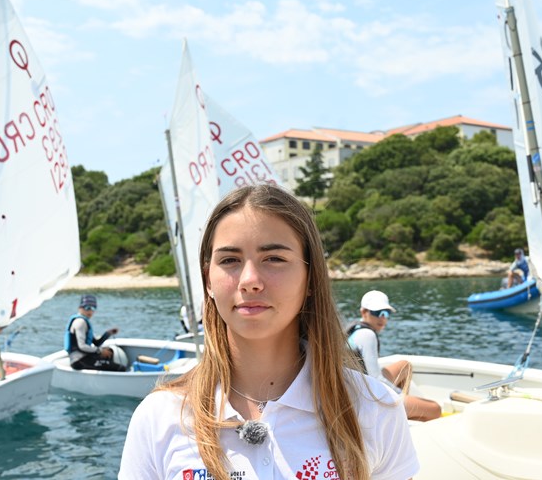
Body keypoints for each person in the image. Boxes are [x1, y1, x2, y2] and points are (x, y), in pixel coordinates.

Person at [120, 185, 419, 480]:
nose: (250, 281)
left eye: (274, 258)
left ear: (311, 277)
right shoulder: (160, 418)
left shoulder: (374, 410)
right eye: (229, 260)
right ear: (208, 280)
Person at [347, 290, 442, 422]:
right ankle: (398, 413)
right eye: (377, 313)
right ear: (364, 312)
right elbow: (376, 378)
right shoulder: (367, 335)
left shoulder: (355, 330)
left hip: (359, 387)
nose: (382, 318)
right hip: (366, 398)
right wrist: (399, 393)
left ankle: (400, 412)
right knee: (435, 409)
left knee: (404, 366)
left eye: (386, 313)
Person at [64, 294, 125, 371]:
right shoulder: (80, 322)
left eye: (93, 308)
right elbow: (82, 346)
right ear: (80, 308)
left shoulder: (84, 321)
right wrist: (100, 351)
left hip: (85, 358)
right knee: (121, 368)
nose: (90, 311)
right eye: (87, 308)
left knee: (109, 352)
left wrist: (108, 333)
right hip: (79, 360)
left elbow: (96, 343)